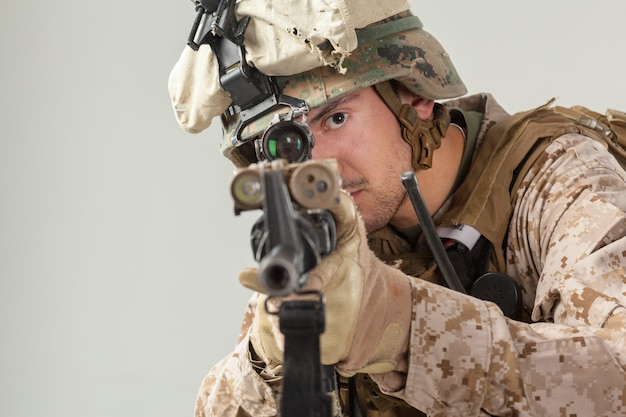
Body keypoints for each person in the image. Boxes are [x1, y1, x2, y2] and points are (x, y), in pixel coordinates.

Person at [169, 0, 626, 416]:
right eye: (282, 144)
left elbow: (618, 378)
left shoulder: (556, 179)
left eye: (336, 118)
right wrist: (269, 363)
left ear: (414, 92)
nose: (317, 166)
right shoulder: (326, 231)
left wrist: (400, 326)